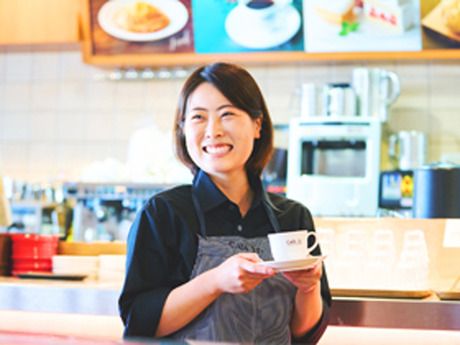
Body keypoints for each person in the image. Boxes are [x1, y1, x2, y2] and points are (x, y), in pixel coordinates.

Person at [118, 62, 331, 344]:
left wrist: (308, 287)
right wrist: (215, 281)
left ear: (257, 125)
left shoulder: (292, 216)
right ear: (183, 130)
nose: (213, 130)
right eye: (198, 118)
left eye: (227, 114)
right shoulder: (164, 213)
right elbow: (139, 322)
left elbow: (304, 334)